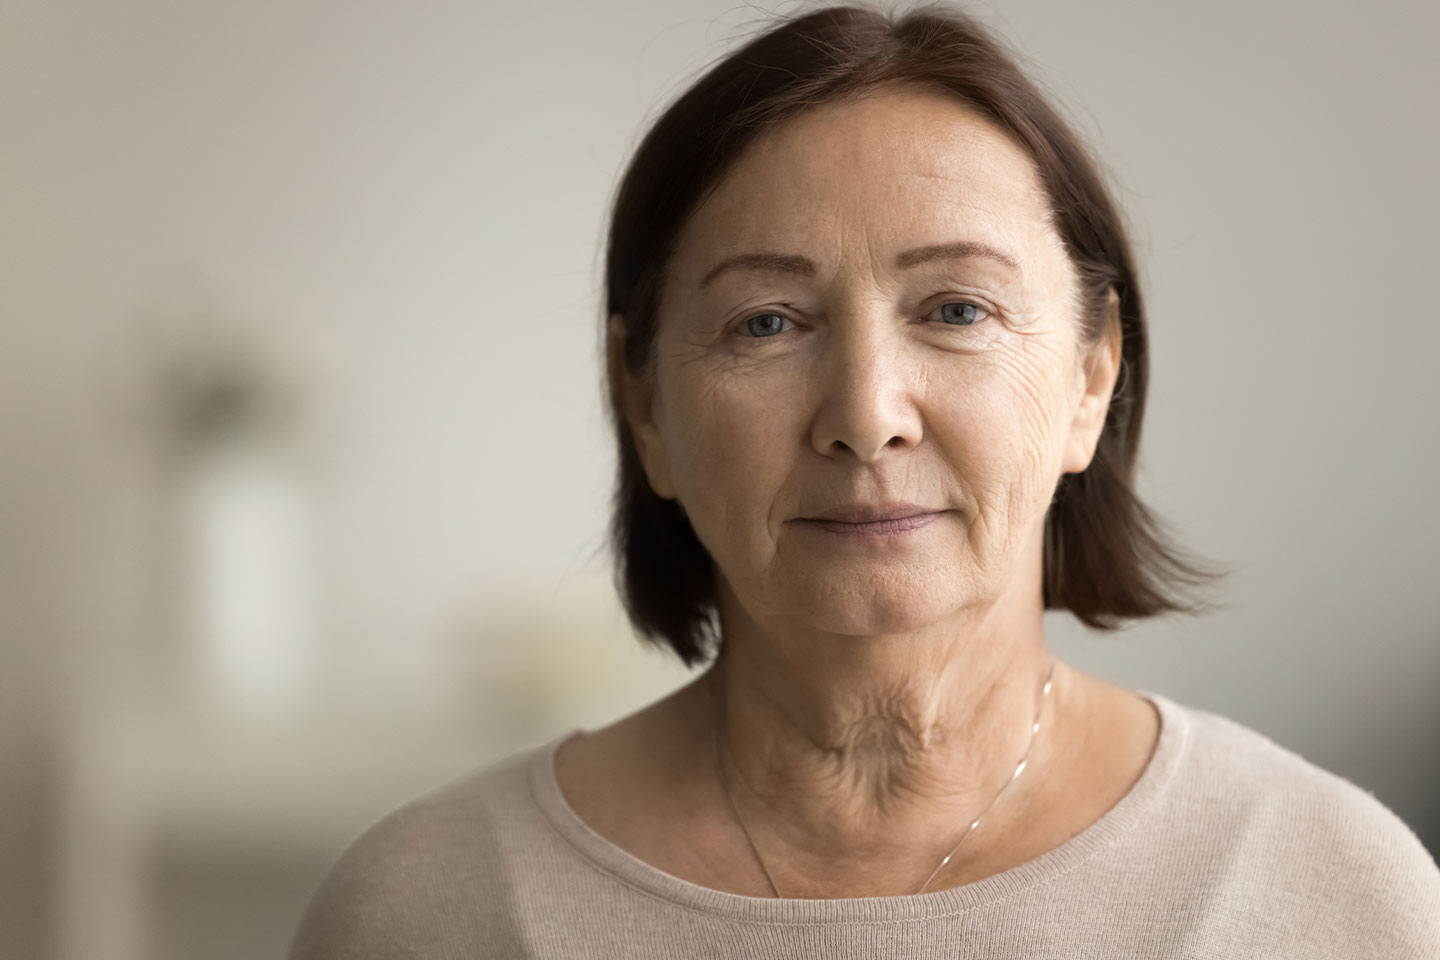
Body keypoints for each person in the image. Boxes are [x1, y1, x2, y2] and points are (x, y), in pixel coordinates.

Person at [288, 3, 1440, 956]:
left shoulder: (1322, 892)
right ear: (643, 402)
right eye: (767, 322)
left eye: (955, 309)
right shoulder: (435, 907)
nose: (865, 415)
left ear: (1092, 378)